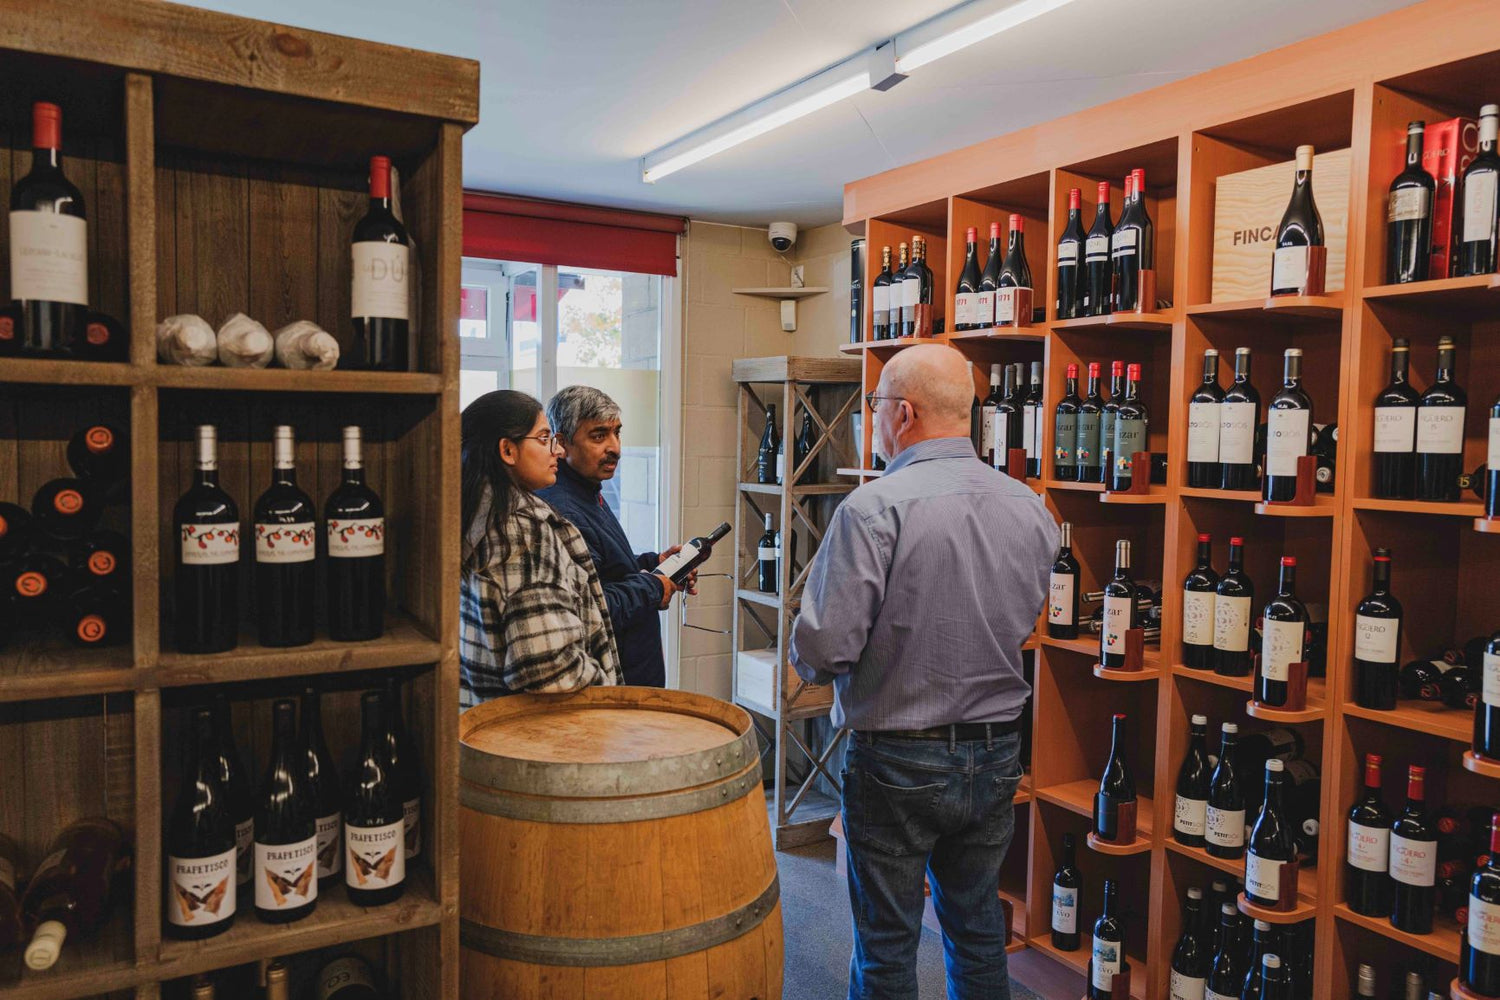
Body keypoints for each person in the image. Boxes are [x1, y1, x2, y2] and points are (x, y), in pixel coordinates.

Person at [789, 343, 1056, 1000]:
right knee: (978, 930)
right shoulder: (1032, 508)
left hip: (896, 760)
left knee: (887, 943)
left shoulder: (873, 509)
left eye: (874, 406)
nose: (872, 420)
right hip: (997, 754)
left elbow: (825, 650)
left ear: (902, 413)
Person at [459, 389, 621, 706]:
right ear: (507, 450)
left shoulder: (475, 512)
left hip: (485, 729)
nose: (557, 450)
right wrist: (605, 690)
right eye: (545, 438)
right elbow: (548, 668)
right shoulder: (523, 532)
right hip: (540, 737)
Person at [538, 385, 693, 688]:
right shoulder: (567, 511)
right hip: (610, 685)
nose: (615, 448)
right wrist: (652, 585)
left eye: (617, 433)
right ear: (562, 443)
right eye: (598, 436)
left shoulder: (588, 488)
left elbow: (601, 575)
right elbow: (591, 608)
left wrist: (654, 563)